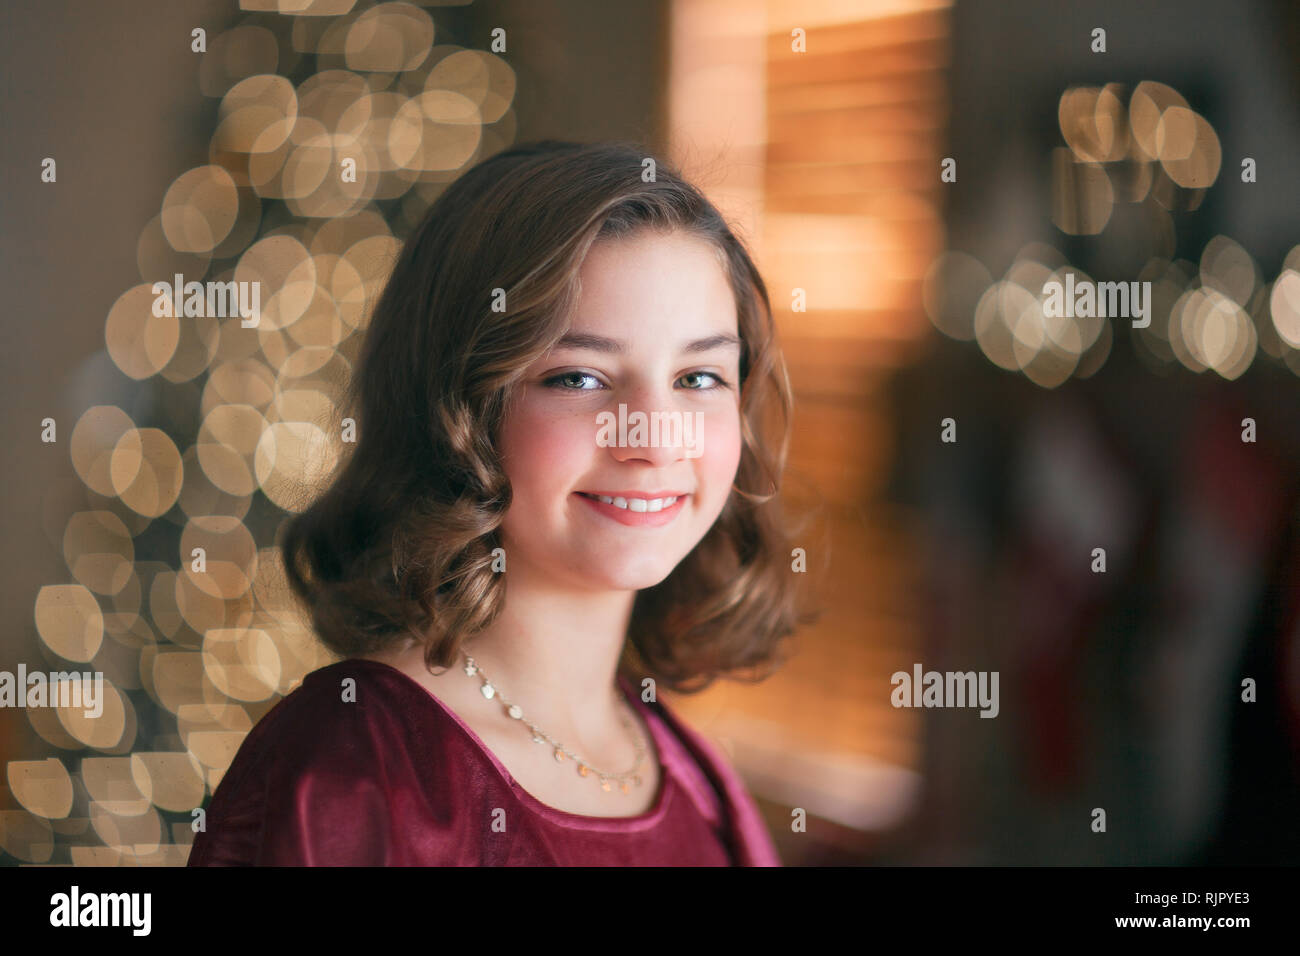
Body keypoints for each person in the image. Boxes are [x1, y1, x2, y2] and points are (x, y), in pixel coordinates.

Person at [186, 140, 800, 866]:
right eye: (577, 378)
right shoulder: (348, 773)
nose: (655, 439)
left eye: (699, 379)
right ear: (457, 410)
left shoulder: (698, 782)